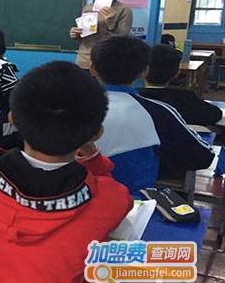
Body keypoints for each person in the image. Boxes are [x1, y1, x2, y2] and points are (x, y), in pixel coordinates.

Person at [0, 60, 132, 283]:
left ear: (13, 120)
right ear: (96, 134)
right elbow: (113, 197)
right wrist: (91, 155)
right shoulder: (109, 198)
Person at [90, 36, 214, 194]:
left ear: (92, 68)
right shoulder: (157, 112)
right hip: (134, 203)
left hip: (72, 200)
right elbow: (203, 157)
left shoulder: (69, 109)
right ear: (144, 72)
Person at [139, 44, 222, 126]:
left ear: (143, 71)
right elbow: (215, 114)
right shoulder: (187, 99)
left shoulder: (135, 97)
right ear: (177, 73)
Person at [69, 0, 133, 70]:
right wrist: (76, 35)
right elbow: (85, 41)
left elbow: (122, 43)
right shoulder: (88, 8)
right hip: (83, 62)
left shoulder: (124, 10)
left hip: (107, 63)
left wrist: (111, 25)